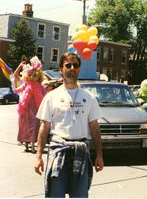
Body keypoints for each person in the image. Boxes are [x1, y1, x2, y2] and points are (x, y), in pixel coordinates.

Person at [34, 52, 104, 198]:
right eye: (68, 65)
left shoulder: (89, 98)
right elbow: (44, 127)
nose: (72, 68)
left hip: (81, 152)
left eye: (75, 65)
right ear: (61, 69)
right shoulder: (51, 97)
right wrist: (38, 155)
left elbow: (95, 128)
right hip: (58, 151)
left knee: (79, 195)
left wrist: (99, 155)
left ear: (79, 69)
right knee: (55, 195)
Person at [12, 57, 46, 153]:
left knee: (35, 125)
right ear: (27, 76)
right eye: (30, 75)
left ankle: (33, 145)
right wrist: (13, 85)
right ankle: (26, 146)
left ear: (38, 76)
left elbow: (46, 95)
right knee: (25, 126)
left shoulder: (39, 86)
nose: (32, 77)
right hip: (25, 109)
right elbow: (16, 90)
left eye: (34, 75)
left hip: (35, 108)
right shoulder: (25, 84)